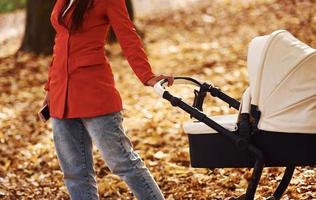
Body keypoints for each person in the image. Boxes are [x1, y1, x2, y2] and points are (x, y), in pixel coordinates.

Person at [42, 0, 174, 199]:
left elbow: (127, 36)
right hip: (62, 96)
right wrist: (49, 88)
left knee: (123, 163)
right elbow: (60, 42)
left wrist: (147, 75)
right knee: (74, 173)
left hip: (94, 95)